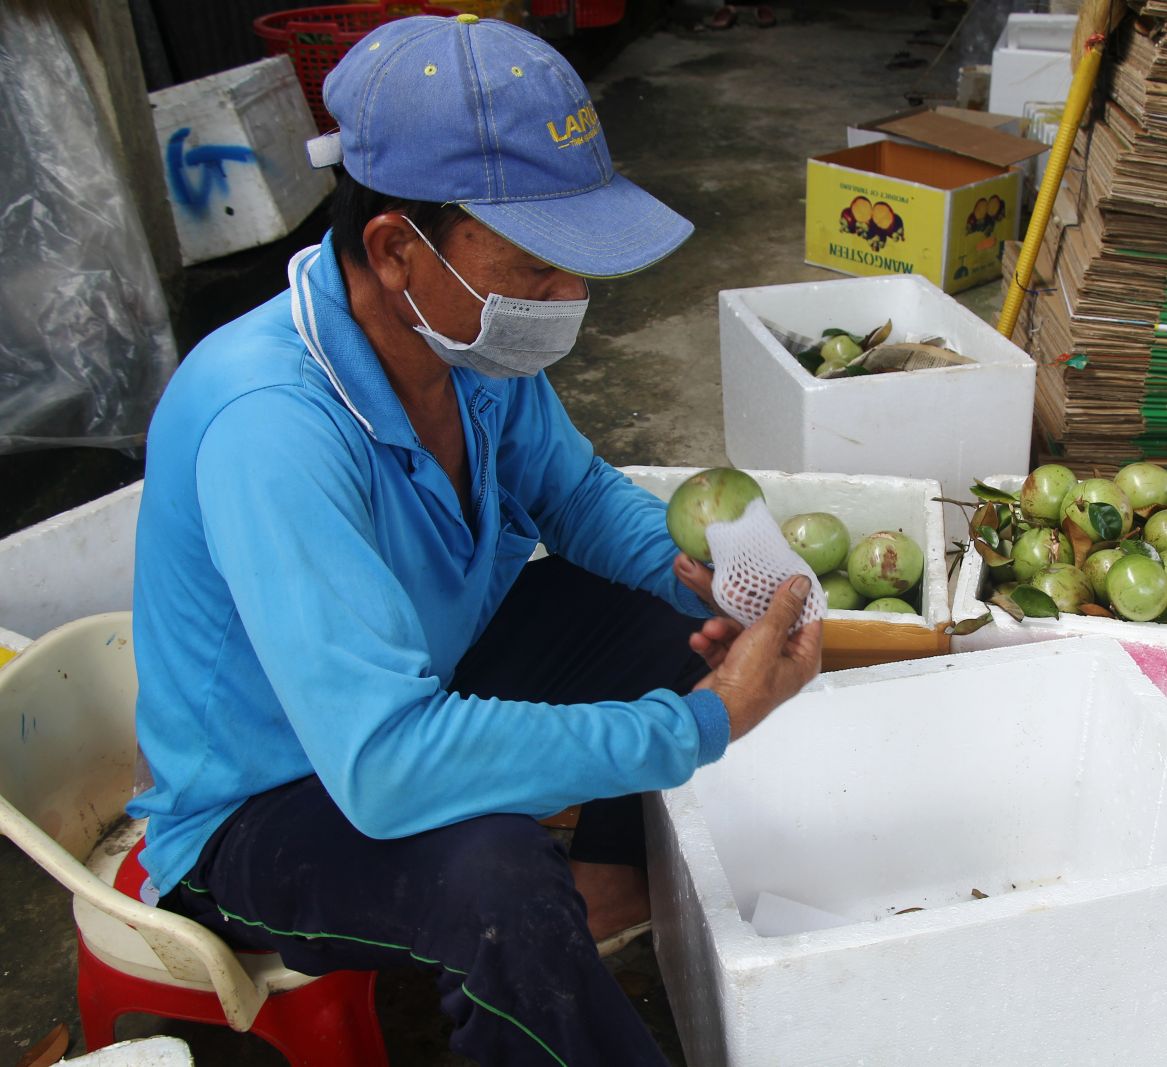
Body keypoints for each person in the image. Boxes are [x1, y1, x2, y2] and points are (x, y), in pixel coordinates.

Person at [127, 14, 821, 1065]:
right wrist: (697, 725)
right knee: (494, 883)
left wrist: (705, 576)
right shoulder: (267, 423)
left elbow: (576, 493)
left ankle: (610, 884)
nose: (572, 296)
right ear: (397, 248)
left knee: (662, 616)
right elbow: (387, 763)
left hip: (417, 687)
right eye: (540, 261)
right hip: (268, 800)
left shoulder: (463, 341)